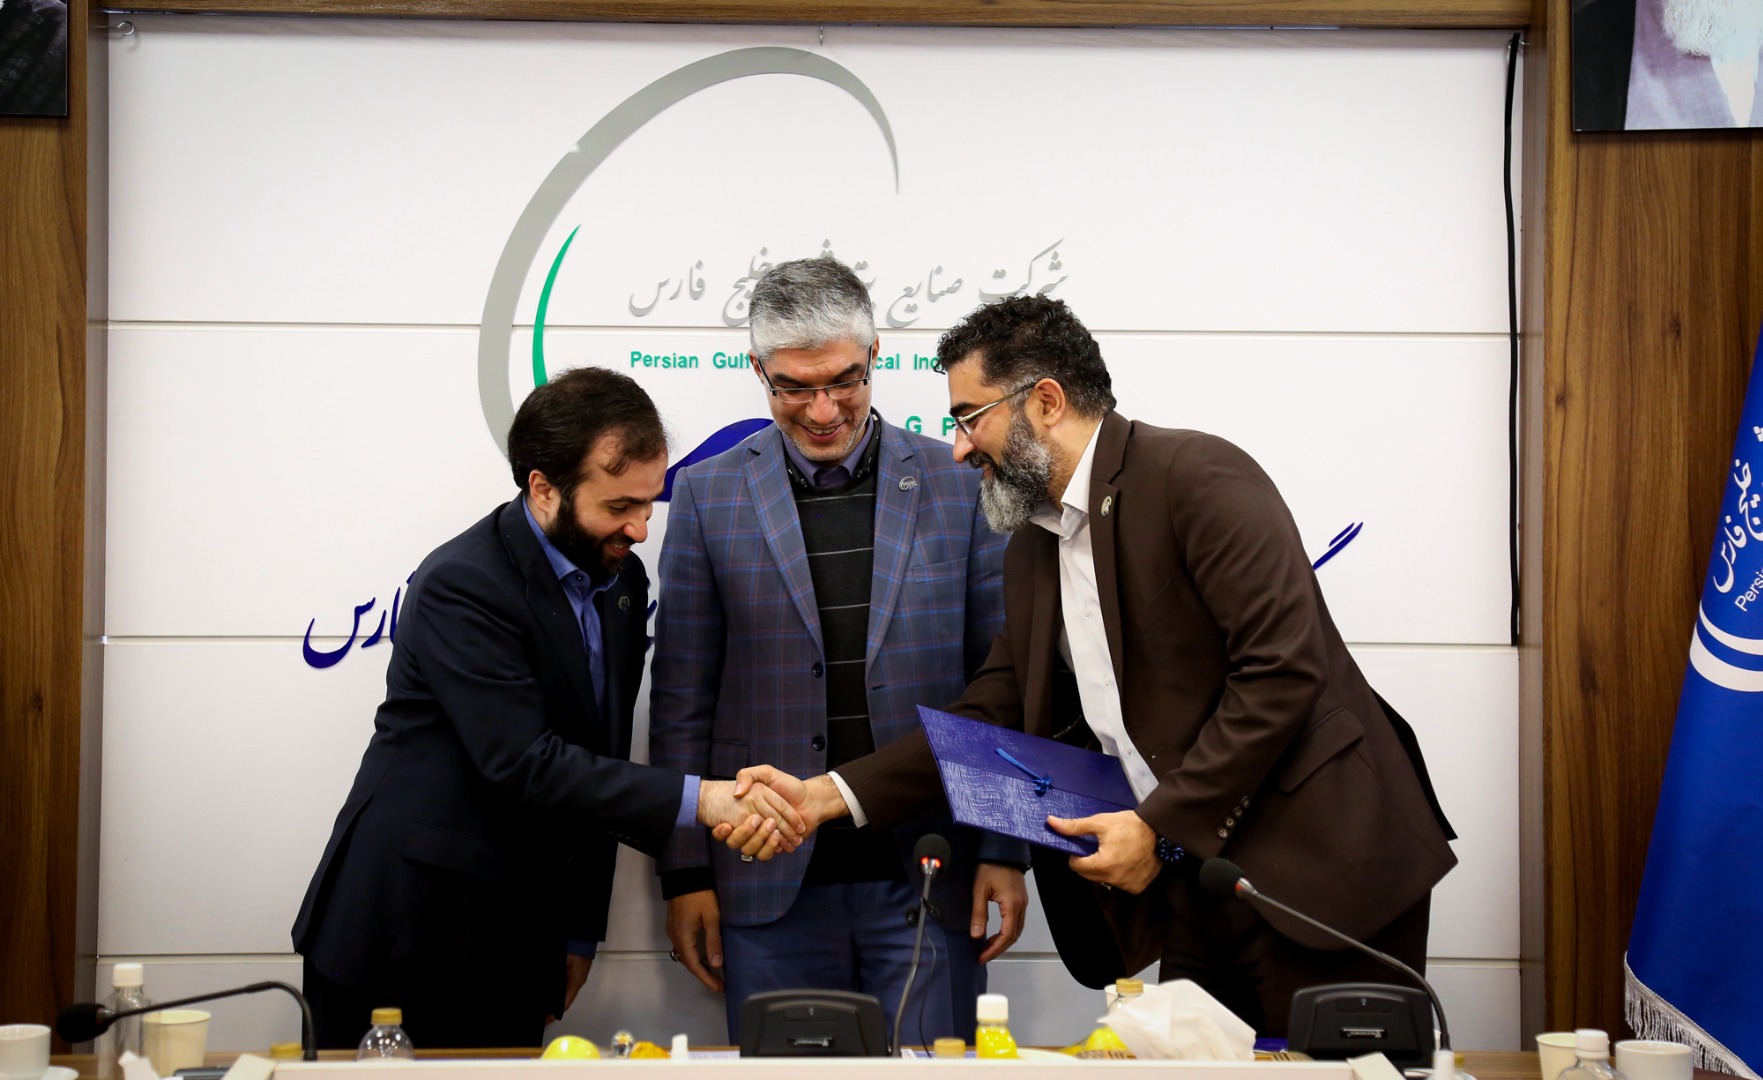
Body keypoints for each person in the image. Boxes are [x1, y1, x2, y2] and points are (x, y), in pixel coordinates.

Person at [727, 295, 1459, 1036]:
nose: (959, 449)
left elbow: (1281, 673)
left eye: (970, 418)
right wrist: (825, 797)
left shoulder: (1196, 476)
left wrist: (1157, 826)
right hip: (1196, 881)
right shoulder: (1033, 544)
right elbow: (990, 713)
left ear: (1044, 402)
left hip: (1320, 868)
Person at [291, 366, 803, 1050]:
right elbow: (526, 765)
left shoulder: (622, 580)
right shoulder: (462, 585)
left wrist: (579, 931)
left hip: (520, 944)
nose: (640, 528)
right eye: (620, 506)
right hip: (402, 935)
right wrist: (704, 800)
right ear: (543, 487)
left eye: (649, 504)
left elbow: (598, 759)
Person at [648, 256, 1027, 1044]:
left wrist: (1004, 849)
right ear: (757, 370)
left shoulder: (959, 483)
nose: (823, 411)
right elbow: (682, 698)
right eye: (794, 387)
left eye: (844, 381)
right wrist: (684, 874)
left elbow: (999, 682)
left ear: (875, 355)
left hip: (929, 873)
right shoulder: (706, 495)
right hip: (763, 884)